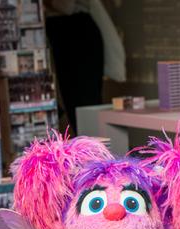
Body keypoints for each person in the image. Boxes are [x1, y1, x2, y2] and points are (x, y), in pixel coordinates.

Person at [45, 0, 125, 134]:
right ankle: (89, 146)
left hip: (75, 32)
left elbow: (66, 6)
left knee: (84, 102)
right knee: (75, 102)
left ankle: (93, 149)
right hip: (66, 31)